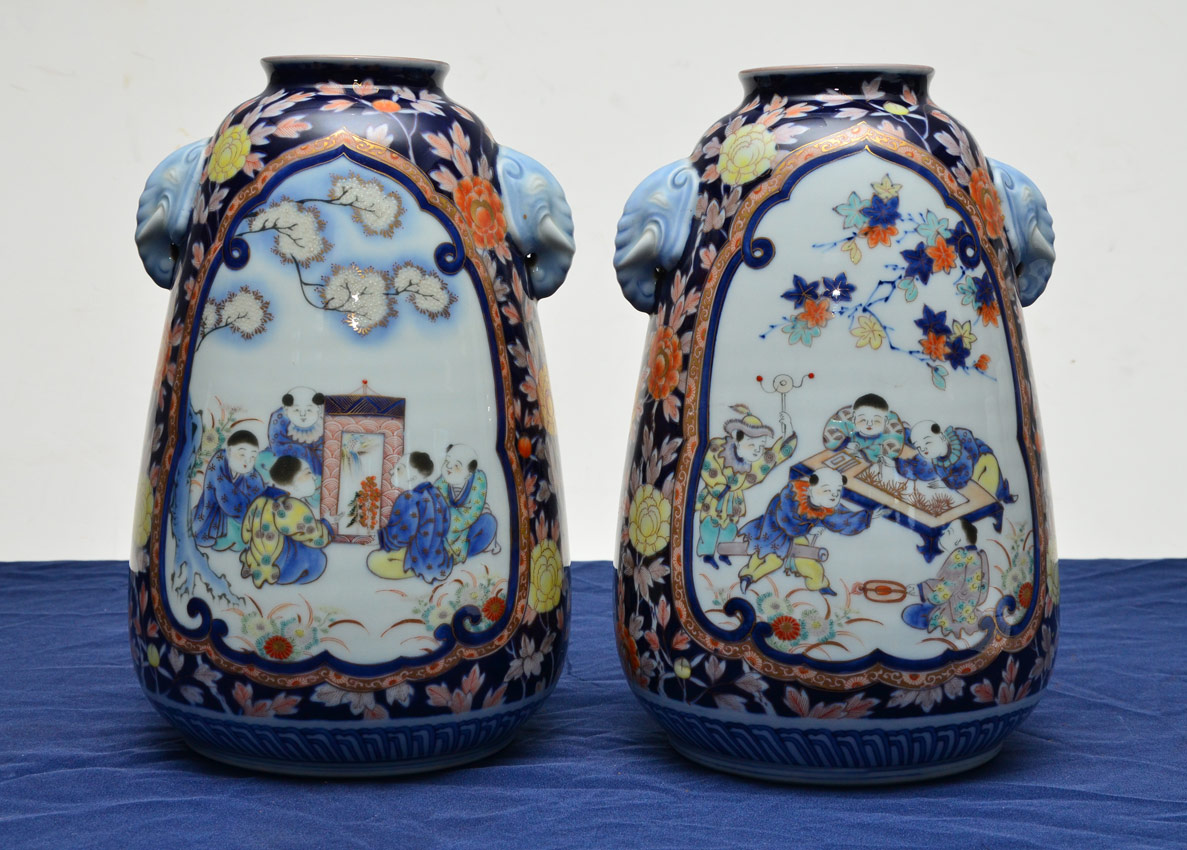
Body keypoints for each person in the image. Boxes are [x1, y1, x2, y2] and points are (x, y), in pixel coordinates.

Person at [739, 467, 886, 595]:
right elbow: (786, 520)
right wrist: (810, 530)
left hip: (797, 535)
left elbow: (842, 518)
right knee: (771, 559)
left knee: (807, 562)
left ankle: (819, 584)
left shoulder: (825, 505)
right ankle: (748, 576)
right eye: (827, 490)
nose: (834, 495)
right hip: (773, 531)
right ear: (811, 488)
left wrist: (867, 517)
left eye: (837, 491)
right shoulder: (792, 495)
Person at [695, 405, 796, 567]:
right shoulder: (718, 448)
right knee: (709, 525)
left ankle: (724, 552)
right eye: (752, 445)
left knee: (730, 528)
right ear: (737, 439)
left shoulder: (754, 463)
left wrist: (789, 431)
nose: (757, 451)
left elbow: (776, 456)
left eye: (761, 446)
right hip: (714, 497)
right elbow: (708, 466)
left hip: (734, 500)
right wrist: (719, 486)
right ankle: (707, 555)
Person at [239, 456, 333, 588]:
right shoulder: (288, 506)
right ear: (293, 482)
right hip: (282, 566)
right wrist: (327, 524)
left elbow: (246, 530)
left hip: (260, 558)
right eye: (308, 473)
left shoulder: (263, 499)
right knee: (317, 558)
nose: (314, 477)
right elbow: (314, 535)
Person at [367, 452, 453, 583]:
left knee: (373, 560)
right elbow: (445, 526)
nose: (391, 471)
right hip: (438, 558)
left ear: (412, 477)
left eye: (399, 469)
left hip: (417, 561)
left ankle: (413, 574)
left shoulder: (409, 498)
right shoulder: (436, 494)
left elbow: (401, 535)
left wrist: (380, 537)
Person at [902, 519, 989, 637]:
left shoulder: (961, 556)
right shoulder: (978, 555)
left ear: (958, 540)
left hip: (954, 611)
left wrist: (921, 589)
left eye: (949, 532)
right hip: (969, 608)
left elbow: (948, 587)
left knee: (910, 614)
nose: (943, 533)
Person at [897, 421, 1016, 502]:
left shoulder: (958, 452)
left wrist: (946, 484)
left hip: (981, 460)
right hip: (965, 473)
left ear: (942, 437)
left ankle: (1003, 496)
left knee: (989, 490)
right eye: (919, 447)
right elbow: (940, 473)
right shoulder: (936, 458)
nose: (924, 449)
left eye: (927, 443)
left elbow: (965, 471)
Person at [192, 430, 265, 551]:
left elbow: (260, 495)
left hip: (235, 516)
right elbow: (224, 495)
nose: (247, 461)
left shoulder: (251, 474)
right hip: (213, 508)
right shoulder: (219, 461)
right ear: (230, 451)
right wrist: (248, 513)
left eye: (252, 457)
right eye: (242, 454)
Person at [435, 444, 497, 564]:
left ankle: (463, 556)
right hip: (444, 530)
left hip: (466, 526)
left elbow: (470, 514)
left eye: (456, 466)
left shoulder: (478, 480)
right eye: (447, 461)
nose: (449, 466)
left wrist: (446, 515)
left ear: (468, 474)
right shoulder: (441, 483)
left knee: (488, 522)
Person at [821, 393, 905, 478]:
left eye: (876, 420)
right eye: (863, 420)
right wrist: (846, 445)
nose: (869, 424)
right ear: (854, 418)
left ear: (885, 421)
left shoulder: (883, 443)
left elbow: (887, 459)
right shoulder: (851, 437)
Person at [267, 387, 325, 476]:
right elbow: (277, 447)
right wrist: (304, 452)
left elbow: (324, 450)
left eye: (309, 410)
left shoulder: (323, 423)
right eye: (296, 410)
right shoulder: (279, 419)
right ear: (286, 410)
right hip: (288, 464)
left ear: (319, 409)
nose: (303, 415)